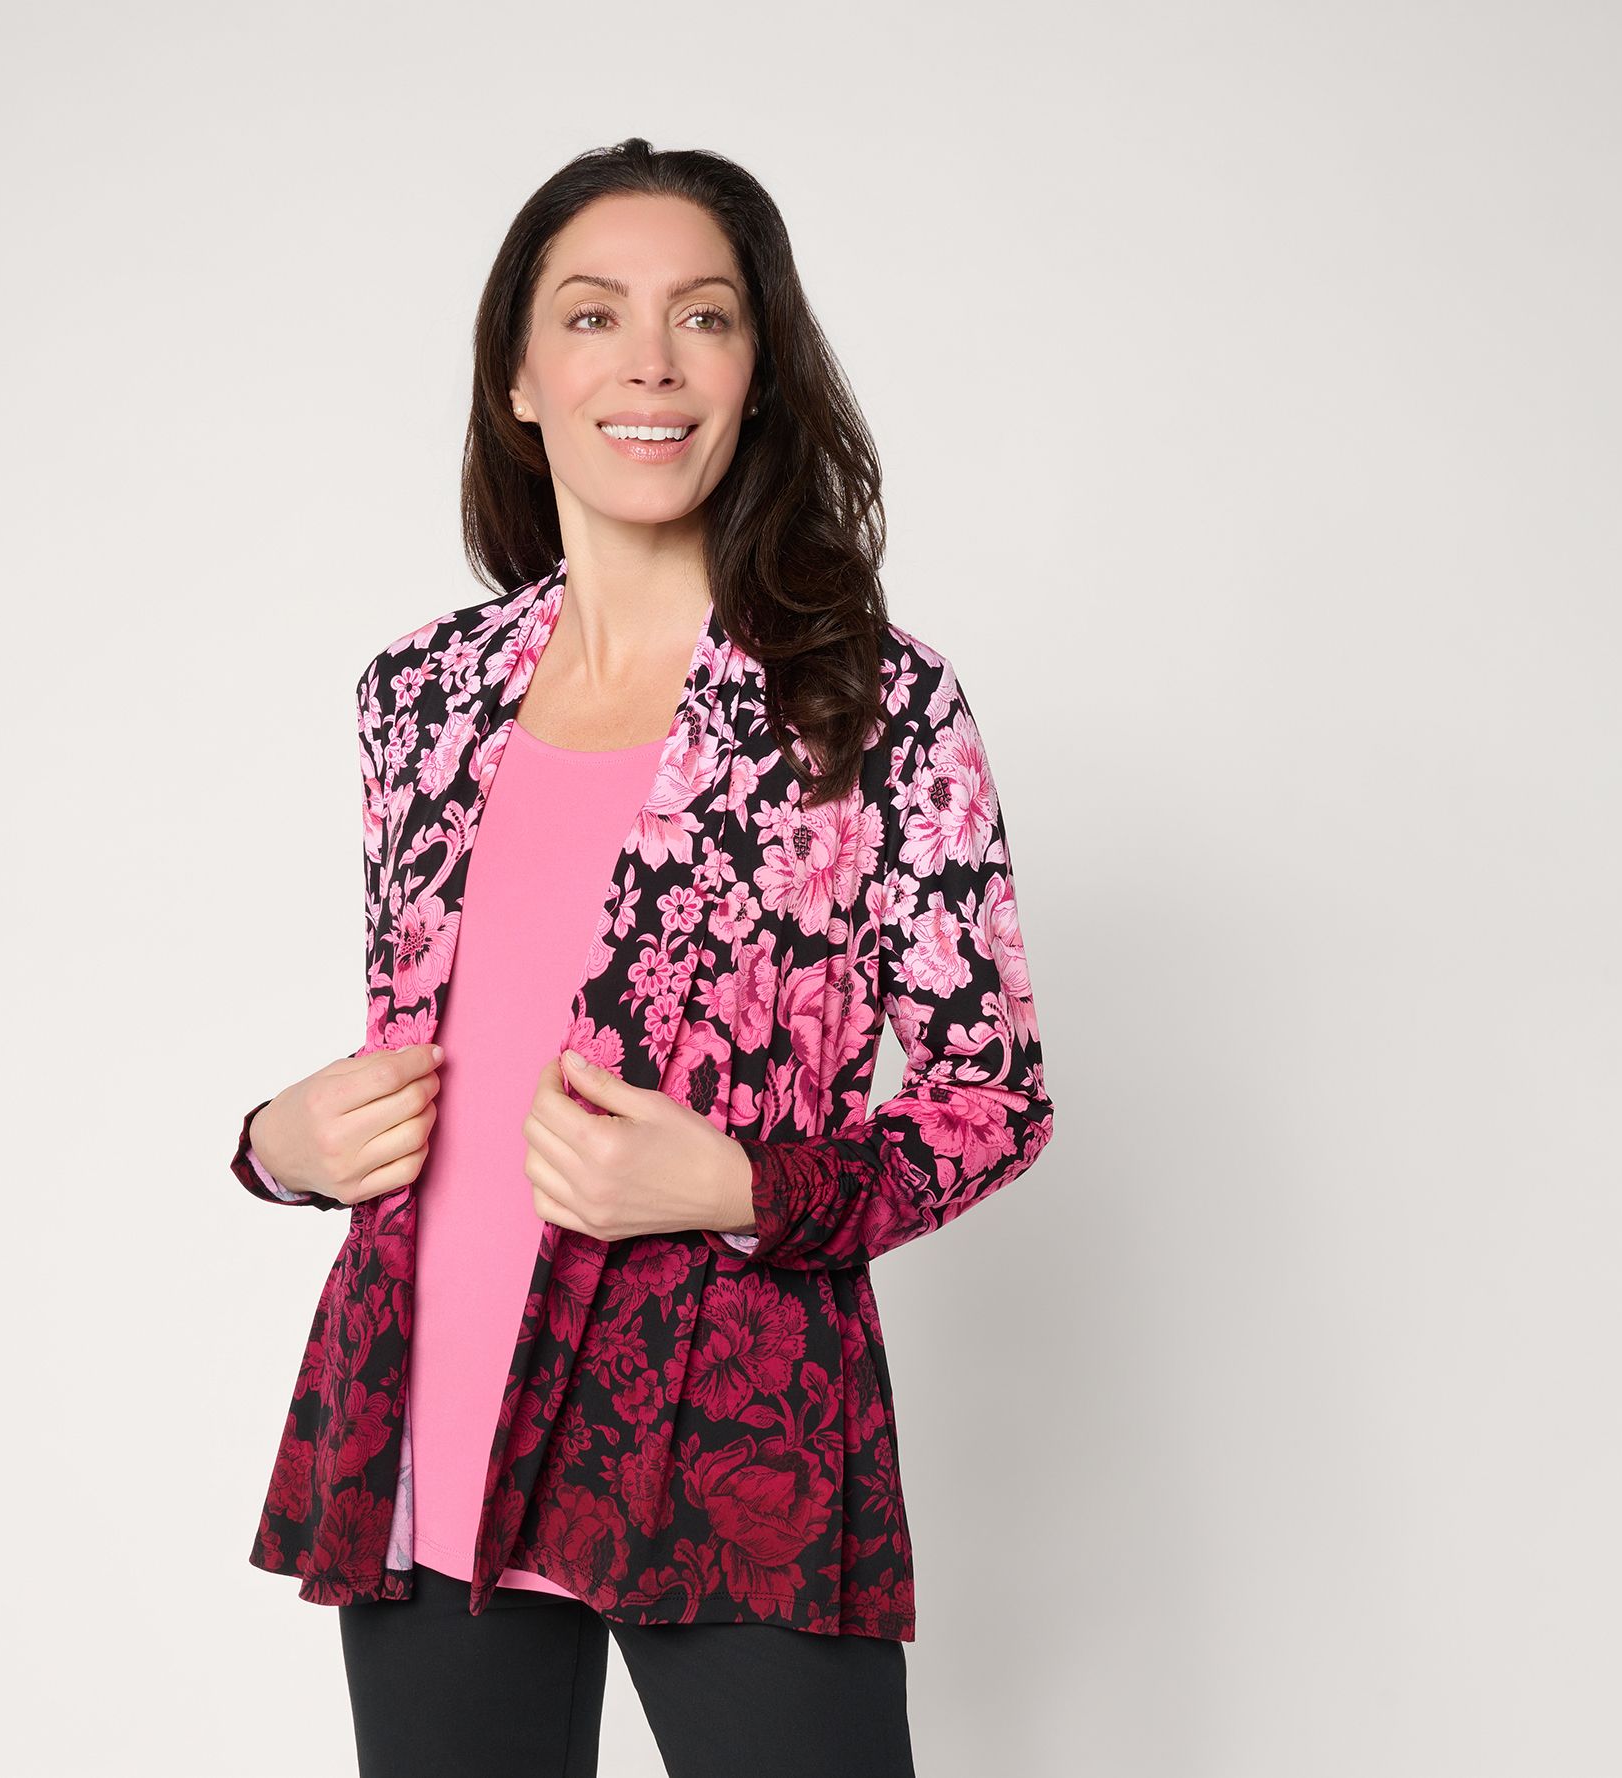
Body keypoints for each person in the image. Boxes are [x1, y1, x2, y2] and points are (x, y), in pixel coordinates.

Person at [228, 136, 1056, 1778]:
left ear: (760, 373)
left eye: (706, 316)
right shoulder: (422, 698)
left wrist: (744, 1185)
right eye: (595, 315)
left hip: (729, 1433)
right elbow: (438, 1045)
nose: (652, 363)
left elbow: (993, 1100)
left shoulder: (870, 702)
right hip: (432, 1426)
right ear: (520, 377)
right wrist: (281, 1145)